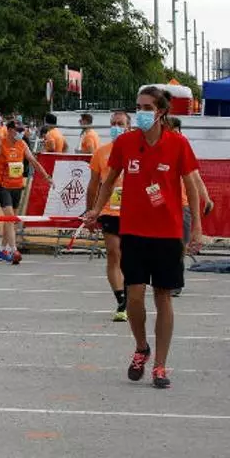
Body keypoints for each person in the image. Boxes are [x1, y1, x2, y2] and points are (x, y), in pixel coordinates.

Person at [84, 86, 202, 389]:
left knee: (163, 296)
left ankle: (160, 366)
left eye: (147, 108)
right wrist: (95, 209)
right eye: (138, 107)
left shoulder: (178, 143)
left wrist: (197, 227)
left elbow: (191, 186)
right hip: (133, 230)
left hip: (167, 233)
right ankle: (141, 347)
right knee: (134, 297)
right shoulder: (126, 143)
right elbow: (108, 181)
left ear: (161, 111)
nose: (141, 113)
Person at [0, 120, 53, 264]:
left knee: (11, 221)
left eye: (22, 130)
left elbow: (34, 162)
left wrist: (47, 177)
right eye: (18, 130)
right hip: (2, 186)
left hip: (17, 186)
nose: (21, 133)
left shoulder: (22, 144)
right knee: (9, 217)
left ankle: (2, 250)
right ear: (9, 130)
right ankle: (14, 250)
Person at [86, 111, 132, 322]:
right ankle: (121, 300)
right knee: (114, 253)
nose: (116, 127)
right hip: (109, 211)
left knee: (131, 258)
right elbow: (93, 185)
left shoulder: (139, 150)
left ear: (129, 127)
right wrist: (90, 211)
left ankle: (131, 294)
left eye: (120, 124)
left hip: (134, 212)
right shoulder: (101, 152)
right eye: (113, 123)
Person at [166, 116, 215, 297]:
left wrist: (206, 198)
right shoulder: (156, 150)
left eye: (175, 131)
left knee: (179, 245)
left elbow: (195, 177)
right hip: (161, 207)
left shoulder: (182, 150)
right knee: (164, 246)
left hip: (182, 206)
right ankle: (165, 278)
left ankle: (175, 280)